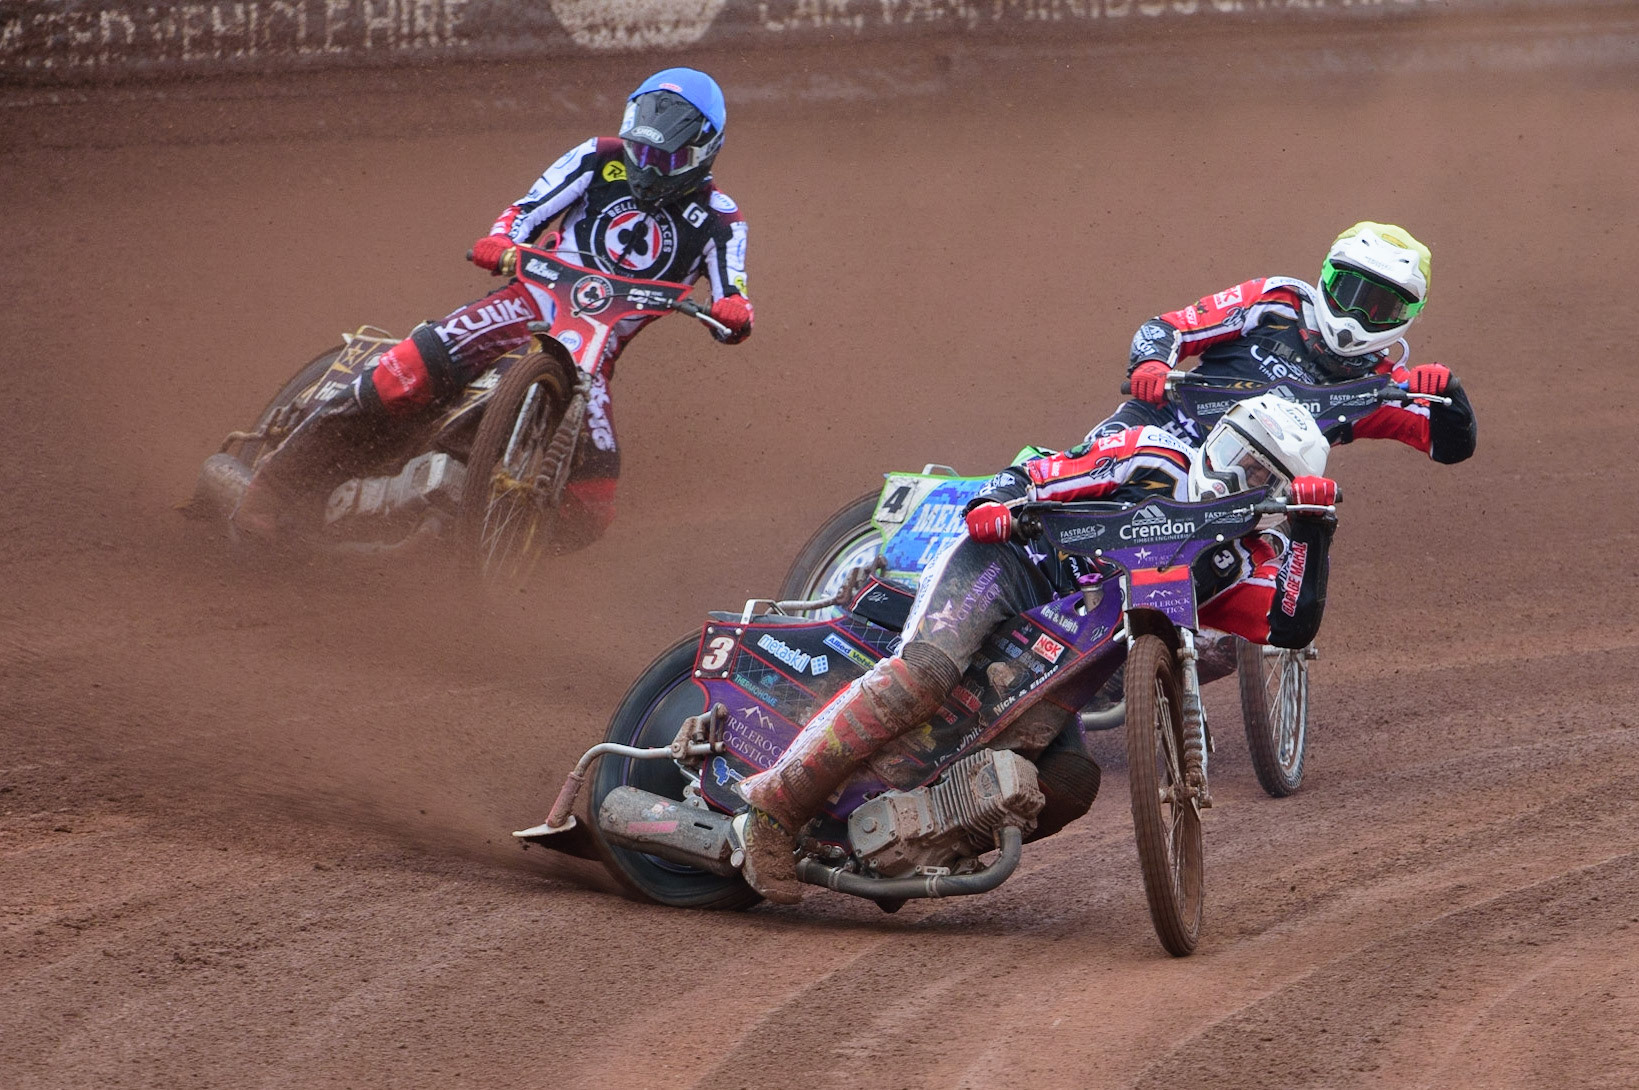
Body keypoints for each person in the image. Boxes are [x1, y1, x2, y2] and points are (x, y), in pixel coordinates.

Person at [733, 394, 1340, 903]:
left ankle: (912, 850)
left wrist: (1315, 529)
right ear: (1217, 438)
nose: (1240, 480)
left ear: (1282, 497)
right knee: (925, 674)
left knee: (1071, 781)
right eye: (1237, 457)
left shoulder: (1244, 557)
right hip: (1013, 571)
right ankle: (771, 811)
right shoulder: (1152, 455)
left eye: (1264, 479)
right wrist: (1000, 501)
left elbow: (1290, 623)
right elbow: (1046, 470)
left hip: (1066, 655)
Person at [232, 67, 754, 546]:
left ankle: (492, 543)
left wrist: (732, 314)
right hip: (525, 301)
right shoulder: (598, 157)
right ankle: (273, 487)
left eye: (663, 157)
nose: (647, 165)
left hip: (594, 352)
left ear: (703, 152)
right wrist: (500, 241)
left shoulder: (721, 219)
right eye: (642, 150)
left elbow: (733, 294)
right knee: (403, 373)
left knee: (591, 507)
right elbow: (525, 213)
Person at [1091, 222, 1476, 466]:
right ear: (1327, 277)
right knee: (1085, 467)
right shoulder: (1275, 300)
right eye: (1350, 292)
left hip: (1243, 491)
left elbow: (1450, 447)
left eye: (1381, 306)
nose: (1358, 315)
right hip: (1167, 428)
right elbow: (1169, 327)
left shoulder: (1383, 386)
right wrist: (1151, 364)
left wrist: (1450, 394)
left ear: (1409, 314)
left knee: (1278, 572)